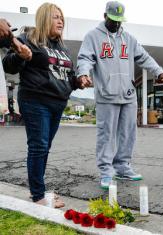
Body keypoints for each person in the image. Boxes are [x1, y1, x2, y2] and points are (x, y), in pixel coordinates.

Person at [2, 3, 90, 207]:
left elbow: (69, 76)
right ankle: (38, 196)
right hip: (35, 100)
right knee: (38, 146)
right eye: (55, 17)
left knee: (44, 147)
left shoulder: (63, 48)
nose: (60, 21)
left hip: (57, 103)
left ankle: (38, 191)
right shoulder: (29, 38)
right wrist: (20, 55)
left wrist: (79, 81)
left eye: (62, 17)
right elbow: (9, 64)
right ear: (43, 19)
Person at [77, 1, 163, 189]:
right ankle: (106, 172)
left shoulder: (129, 38)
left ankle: (122, 167)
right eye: (113, 20)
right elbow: (85, 58)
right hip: (106, 95)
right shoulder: (93, 37)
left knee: (128, 133)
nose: (117, 24)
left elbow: (144, 57)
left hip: (128, 94)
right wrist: (83, 74)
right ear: (105, 17)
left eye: (120, 21)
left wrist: (159, 72)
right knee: (106, 134)